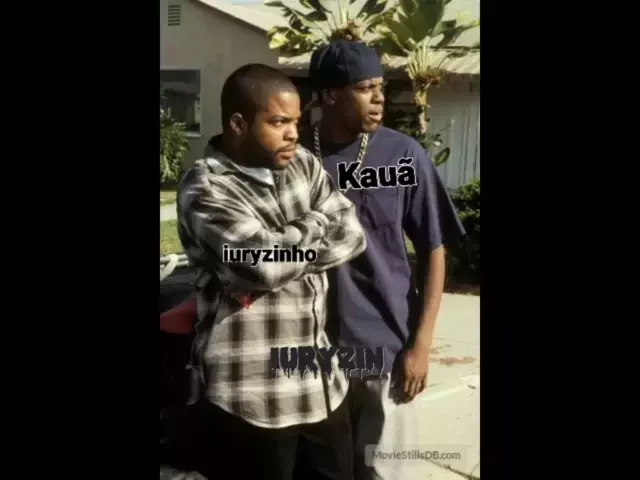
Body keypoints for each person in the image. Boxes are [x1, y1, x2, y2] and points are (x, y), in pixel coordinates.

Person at [176, 63, 367, 480]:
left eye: (296, 122)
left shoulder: (303, 164)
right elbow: (263, 267)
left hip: (320, 385)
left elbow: (352, 234)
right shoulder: (206, 187)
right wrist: (316, 223)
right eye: (279, 122)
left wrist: (283, 247)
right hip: (251, 396)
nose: (293, 134)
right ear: (238, 124)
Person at [298, 40, 466, 480]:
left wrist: (421, 345)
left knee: (383, 472)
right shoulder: (292, 155)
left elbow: (434, 249)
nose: (379, 99)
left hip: (385, 351)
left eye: (380, 87)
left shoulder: (402, 155)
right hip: (309, 353)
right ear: (329, 94)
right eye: (365, 88)